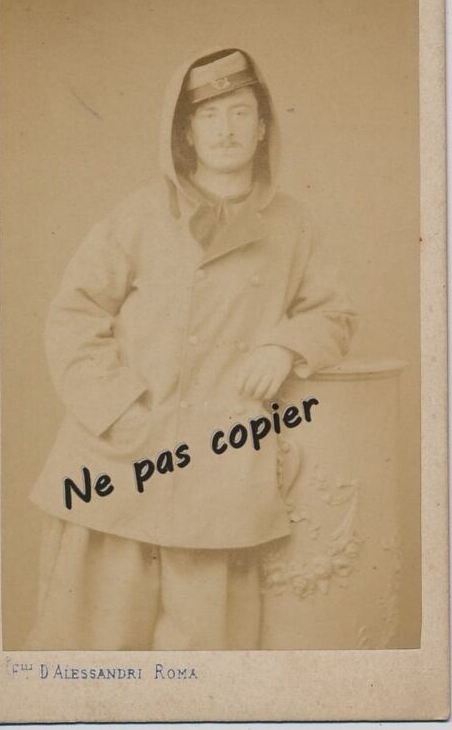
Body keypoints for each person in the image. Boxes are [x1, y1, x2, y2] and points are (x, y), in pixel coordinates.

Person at [26, 47, 357, 651]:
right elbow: (73, 315)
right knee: (91, 657)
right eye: (209, 115)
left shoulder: (295, 225)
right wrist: (118, 409)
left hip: (219, 477)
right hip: (121, 464)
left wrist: (286, 345)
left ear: (263, 128)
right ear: (186, 133)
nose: (225, 129)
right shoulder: (138, 215)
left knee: (207, 670)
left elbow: (334, 314)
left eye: (240, 112)